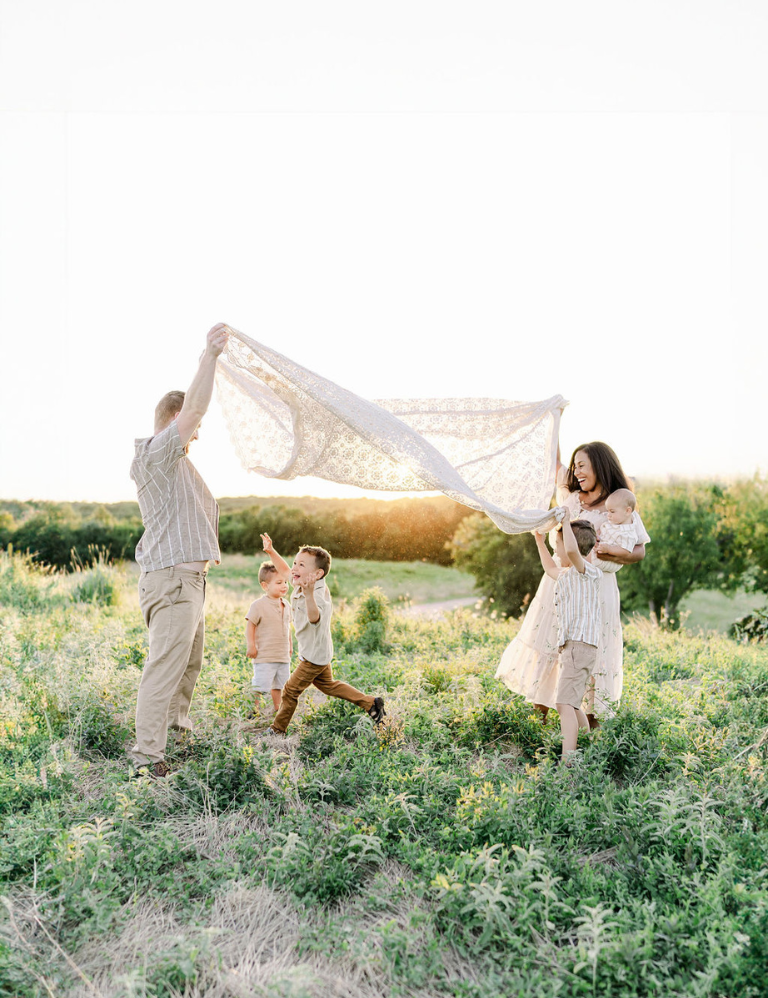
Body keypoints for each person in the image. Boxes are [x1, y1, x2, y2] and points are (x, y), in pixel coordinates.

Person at [129, 323, 229, 778]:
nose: (197, 434)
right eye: (194, 427)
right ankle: (148, 758)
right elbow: (195, 408)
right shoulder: (155, 455)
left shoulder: (178, 466)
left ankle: (175, 733)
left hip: (190, 583)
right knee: (164, 668)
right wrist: (209, 356)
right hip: (171, 581)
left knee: (188, 666)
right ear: (175, 420)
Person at [496, 441, 650, 724]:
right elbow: (556, 467)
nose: (576, 472)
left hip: (597, 586)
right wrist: (555, 418)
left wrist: (613, 554)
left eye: (582, 465)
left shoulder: (619, 504)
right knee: (552, 641)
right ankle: (539, 719)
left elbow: (639, 550)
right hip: (561, 582)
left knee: (591, 648)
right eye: (574, 466)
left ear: (600, 465)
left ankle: (589, 724)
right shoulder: (572, 498)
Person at [260, 534, 385, 737]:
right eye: (295, 563)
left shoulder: (317, 594)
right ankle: (371, 703)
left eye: (301, 565)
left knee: (290, 691)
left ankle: (277, 729)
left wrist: (309, 595)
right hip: (317, 650)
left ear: (317, 573)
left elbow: (314, 618)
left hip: (313, 657)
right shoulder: (302, 582)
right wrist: (271, 551)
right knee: (329, 686)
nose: (294, 568)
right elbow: (284, 570)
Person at [533, 512, 601, 759]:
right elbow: (550, 567)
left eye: (558, 545)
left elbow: (572, 552)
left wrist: (566, 521)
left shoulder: (588, 571)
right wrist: (540, 541)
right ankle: (592, 748)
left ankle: (568, 763)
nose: (557, 550)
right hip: (574, 648)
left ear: (572, 545)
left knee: (562, 705)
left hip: (579, 647)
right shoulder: (565, 575)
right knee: (571, 704)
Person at [245, 561, 293, 718]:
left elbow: (288, 628)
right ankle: (254, 709)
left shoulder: (286, 604)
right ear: (265, 586)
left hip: (282, 655)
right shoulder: (258, 605)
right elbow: (250, 625)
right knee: (261, 684)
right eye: (279, 582)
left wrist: (290, 646)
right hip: (265, 655)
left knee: (280, 685)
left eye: (285, 582)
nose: (284, 585)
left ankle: (278, 708)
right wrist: (251, 645)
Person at [595, 489, 639, 574]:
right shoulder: (615, 522)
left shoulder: (628, 534)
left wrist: (609, 549)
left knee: (581, 555)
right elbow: (604, 528)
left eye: (612, 511)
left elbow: (625, 551)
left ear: (627, 511)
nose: (608, 515)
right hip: (601, 551)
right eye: (608, 511)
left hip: (609, 561)